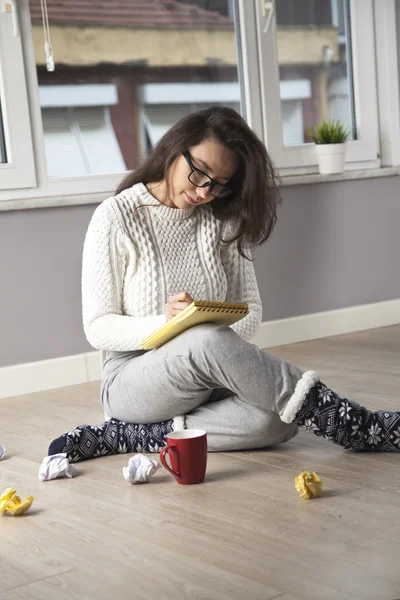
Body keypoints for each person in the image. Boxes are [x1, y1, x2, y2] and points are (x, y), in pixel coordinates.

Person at [49, 106, 400, 462]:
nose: (204, 191)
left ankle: (139, 436)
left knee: (279, 419)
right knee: (207, 341)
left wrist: (205, 325)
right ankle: (353, 423)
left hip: (207, 376)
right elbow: (98, 328)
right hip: (131, 382)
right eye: (199, 172)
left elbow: (251, 311)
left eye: (219, 185)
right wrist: (171, 325)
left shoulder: (223, 221)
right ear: (174, 148)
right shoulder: (116, 217)